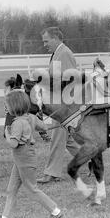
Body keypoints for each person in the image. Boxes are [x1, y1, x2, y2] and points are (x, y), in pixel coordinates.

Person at [1, 91, 64, 218]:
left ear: (15, 107)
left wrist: (7, 133)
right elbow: (44, 127)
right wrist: (60, 122)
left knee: (31, 189)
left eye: (7, 105)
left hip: (23, 158)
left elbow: (13, 143)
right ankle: (6, 217)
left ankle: (55, 211)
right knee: (12, 188)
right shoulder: (31, 117)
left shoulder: (17, 123)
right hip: (23, 159)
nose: (6, 108)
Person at [36, 27, 82, 184]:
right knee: (67, 140)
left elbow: (71, 80)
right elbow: (57, 79)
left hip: (65, 104)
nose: (44, 45)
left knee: (57, 138)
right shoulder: (57, 53)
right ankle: (92, 160)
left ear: (56, 38)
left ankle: (52, 173)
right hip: (60, 102)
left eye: (46, 41)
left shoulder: (64, 53)